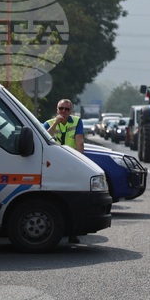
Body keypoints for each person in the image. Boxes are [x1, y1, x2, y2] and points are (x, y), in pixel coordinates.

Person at [43, 99, 84, 243]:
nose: (64, 112)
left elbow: (80, 142)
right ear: (57, 109)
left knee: (72, 201)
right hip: (53, 166)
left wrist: (81, 164)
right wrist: (56, 123)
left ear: (71, 111)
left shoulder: (77, 121)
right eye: (61, 108)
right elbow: (44, 138)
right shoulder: (49, 123)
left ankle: (73, 233)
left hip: (70, 166)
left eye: (67, 109)